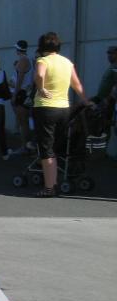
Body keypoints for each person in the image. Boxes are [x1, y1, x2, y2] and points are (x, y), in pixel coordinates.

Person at [32, 32, 89, 197]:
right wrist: (86, 101)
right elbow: (77, 84)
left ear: (42, 46)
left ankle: (50, 187)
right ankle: (54, 180)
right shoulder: (67, 62)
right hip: (64, 109)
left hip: (45, 108)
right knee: (57, 146)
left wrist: (41, 89)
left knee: (46, 148)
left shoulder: (43, 61)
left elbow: (39, 75)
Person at [10, 40, 33, 154]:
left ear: (18, 49)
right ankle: (26, 146)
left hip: (21, 94)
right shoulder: (26, 60)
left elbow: (20, 79)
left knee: (23, 121)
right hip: (23, 92)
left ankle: (25, 147)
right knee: (23, 121)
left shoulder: (23, 60)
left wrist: (15, 95)